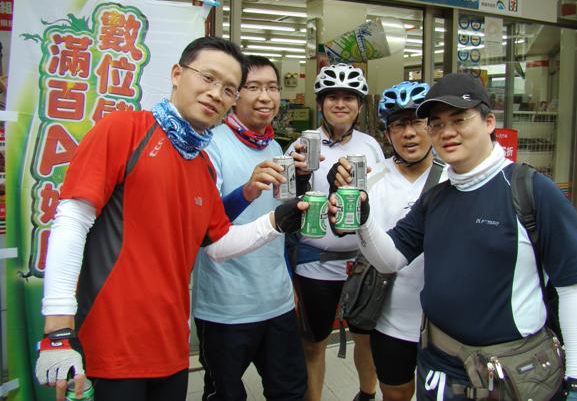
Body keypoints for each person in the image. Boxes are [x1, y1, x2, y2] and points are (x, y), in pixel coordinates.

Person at [34, 37, 307, 401]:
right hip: (110, 348)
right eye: (207, 78)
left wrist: (278, 220)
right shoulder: (125, 129)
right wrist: (57, 329)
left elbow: (217, 244)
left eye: (228, 89)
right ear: (177, 74)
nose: (216, 93)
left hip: (171, 348)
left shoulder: (200, 163)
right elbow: (71, 220)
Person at [331, 72, 577, 401]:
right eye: (437, 124)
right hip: (438, 367)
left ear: (489, 122)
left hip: (510, 372)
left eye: (459, 119)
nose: (447, 132)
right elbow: (390, 259)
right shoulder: (435, 198)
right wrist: (363, 218)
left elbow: (574, 290)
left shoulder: (532, 191)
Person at [192, 55, 307, 401]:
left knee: (290, 392)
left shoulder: (275, 147)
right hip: (225, 307)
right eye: (253, 87)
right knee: (225, 395)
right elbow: (204, 229)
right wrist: (246, 190)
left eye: (272, 87)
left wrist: (290, 281)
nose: (265, 97)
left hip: (277, 301)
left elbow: (277, 223)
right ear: (233, 95)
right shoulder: (208, 145)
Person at [332, 81, 447, 401]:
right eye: (398, 125)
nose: (408, 133)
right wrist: (338, 210)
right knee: (396, 393)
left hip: (445, 322)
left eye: (417, 122)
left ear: (432, 126)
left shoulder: (454, 177)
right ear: (387, 133)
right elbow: (346, 227)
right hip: (391, 319)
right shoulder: (372, 180)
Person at [287, 62, 385, 401]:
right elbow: (284, 205)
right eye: (332, 97)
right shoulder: (301, 146)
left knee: (366, 338)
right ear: (320, 103)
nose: (340, 104)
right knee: (313, 343)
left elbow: (382, 201)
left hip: (363, 264)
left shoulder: (371, 146)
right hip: (315, 263)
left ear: (359, 105)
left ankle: (366, 395)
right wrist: (299, 179)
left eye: (349, 97)